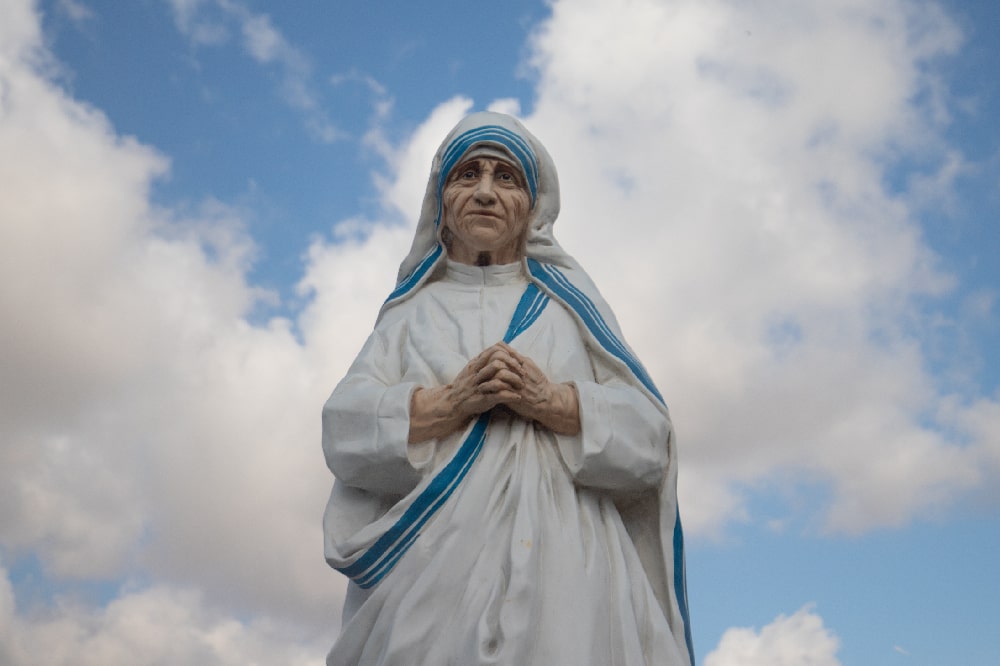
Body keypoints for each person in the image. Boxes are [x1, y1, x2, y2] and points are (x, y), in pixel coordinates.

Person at [322, 111, 694, 665]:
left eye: (507, 178)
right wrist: (447, 405)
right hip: (431, 575)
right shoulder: (410, 316)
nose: (487, 193)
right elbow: (344, 431)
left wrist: (555, 404)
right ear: (442, 201)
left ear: (533, 206)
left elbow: (649, 442)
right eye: (468, 174)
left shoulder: (570, 313)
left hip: (569, 569)